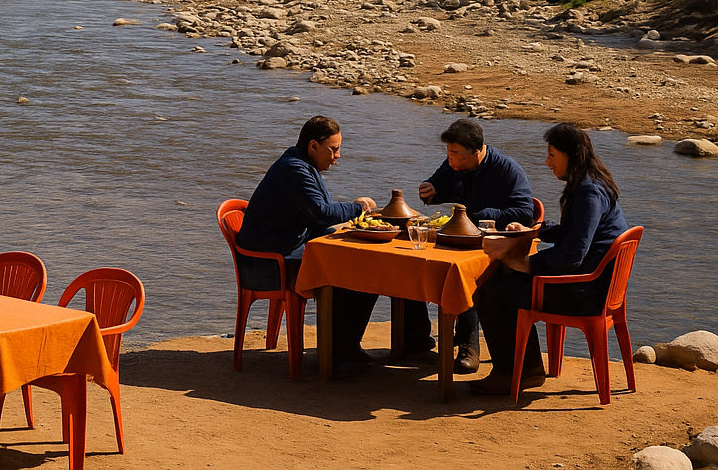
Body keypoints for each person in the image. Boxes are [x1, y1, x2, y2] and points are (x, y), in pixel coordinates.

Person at [470, 122, 630, 395]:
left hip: (585, 292)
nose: (547, 162)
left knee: (492, 290)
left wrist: (529, 264)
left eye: (552, 155)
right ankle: (523, 367)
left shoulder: (589, 192)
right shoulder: (591, 182)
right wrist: (535, 231)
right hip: (596, 285)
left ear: (571, 156)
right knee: (504, 282)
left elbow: (573, 254)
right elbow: (573, 232)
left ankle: (517, 371)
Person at [236, 115, 380, 373]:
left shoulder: (303, 165)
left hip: (284, 247)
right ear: (313, 145)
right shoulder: (294, 169)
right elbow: (321, 213)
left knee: (363, 266)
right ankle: (338, 354)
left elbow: (315, 217)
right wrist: (359, 208)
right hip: (270, 262)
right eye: (333, 150)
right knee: (357, 273)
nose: (337, 156)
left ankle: (344, 346)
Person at [403, 117, 536, 373]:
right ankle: (416, 341)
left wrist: (483, 216)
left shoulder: (507, 170)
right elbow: (440, 186)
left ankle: (469, 346)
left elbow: (525, 212)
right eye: (449, 154)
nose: (452, 161)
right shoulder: (454, 162)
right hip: (459, 239)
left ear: (478, 151)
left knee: (465, 276)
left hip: (495, 247)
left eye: (458, 156)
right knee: (413, 264)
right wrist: (431, 191)